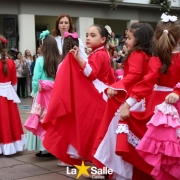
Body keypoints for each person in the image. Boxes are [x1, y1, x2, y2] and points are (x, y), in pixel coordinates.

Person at [41, 24, 115, 170]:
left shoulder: (99, 54)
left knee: (90, 127)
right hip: (99, 94)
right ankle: (93, 157)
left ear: (103, 39)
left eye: (93, 35)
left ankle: (95, 158)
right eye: (87, 35)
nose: (88, 38)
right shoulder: (99, 53)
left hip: (97, 95)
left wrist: (78, 60)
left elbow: (92, 73)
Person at [117, 13, 180, 180]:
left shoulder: (156, 58)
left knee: (156, 148)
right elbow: (146, 83)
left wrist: (128, 104)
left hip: (156, 108)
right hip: (172, 108)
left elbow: (145, 84)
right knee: (172, 149)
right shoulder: (159, 59)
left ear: (157, 38)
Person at [92, 22, 154, 180]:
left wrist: (116, 86)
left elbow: (133, 75)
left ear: (139, 40)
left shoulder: (137, 54)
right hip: (143, 100)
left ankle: (117, 171)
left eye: (129, 38)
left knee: (115, 134)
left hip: (131, 101)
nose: (126, 41)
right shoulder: (148, 55)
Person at [25, 30, 60, 157]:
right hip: (55, 94)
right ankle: (54, 147)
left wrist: (34, 93)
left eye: (41, 44)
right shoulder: (59, 60)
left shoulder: (40, 60)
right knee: (53, 120)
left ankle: (43, 147)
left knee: (40, 119)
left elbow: (36, 79)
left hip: (42, 93)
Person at [0, 35, 25, 155]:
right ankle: (12, 144)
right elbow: (14, 82)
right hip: (9, 94)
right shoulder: (11, 63)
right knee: (10, 119)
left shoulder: (9, 62)